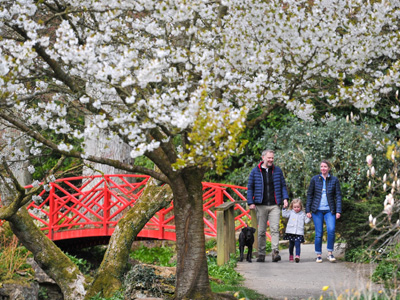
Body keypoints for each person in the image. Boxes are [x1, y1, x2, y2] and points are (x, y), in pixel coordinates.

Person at [247, 149, 289, 262]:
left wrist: (285, 199)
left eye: (272, 158)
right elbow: (250, 187)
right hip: (261, 205)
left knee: (275, 229)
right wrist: (250, 202)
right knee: (261, 231)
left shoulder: (277, 171)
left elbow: (283, 186)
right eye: (269, 158)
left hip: (274, 204)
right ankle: (261, 253)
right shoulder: (255, 171)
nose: (271, 160)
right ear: (263, 158)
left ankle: (275, 252)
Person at [306, 160, 342, 263]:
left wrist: (338, 211)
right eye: (321, 166)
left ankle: (330, 253)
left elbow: (338, 196)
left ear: (329, 168)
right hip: (317, 210)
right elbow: (310, 195)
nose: (323, 168)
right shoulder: (314, 179)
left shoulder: (334, 180)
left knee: (331, 230)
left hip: (330, 210)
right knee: (319, 233)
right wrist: (308, 210)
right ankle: (318, 254)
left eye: (325, 166)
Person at [282, 198, 311, 263]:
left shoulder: (303, 214)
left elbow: (306, 221)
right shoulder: (290, 212)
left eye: (298, 207)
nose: (296, 208)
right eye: (295, 207)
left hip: (299, 232)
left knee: (297, 244)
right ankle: (291, 255)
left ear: (301, 207)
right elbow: (284, 215)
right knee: (291, 245)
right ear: (292, 207)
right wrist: (284, 208)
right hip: (291, 232)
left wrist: (309, 217)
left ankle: (297, 256)